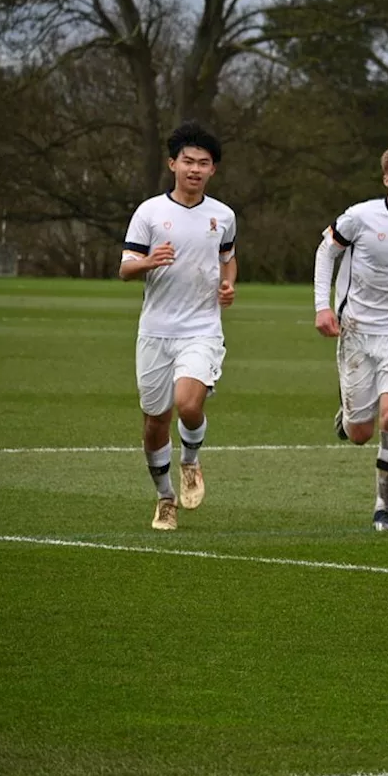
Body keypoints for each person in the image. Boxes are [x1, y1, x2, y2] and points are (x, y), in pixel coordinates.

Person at [120, 122, 236, 531]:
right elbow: (125, 269)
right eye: (188, 161)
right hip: (155, 330)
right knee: (155, 420)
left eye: (203, 163)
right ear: (173, 164)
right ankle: (164, 497)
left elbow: (228, 257)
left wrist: (228, 285)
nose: (195, 169)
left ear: (212, 170)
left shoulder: (222, 215)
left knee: (188, 404)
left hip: (202, 327)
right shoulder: (149, 212)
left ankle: (190, 460)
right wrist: (149, 262)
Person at [313, 142, 388, 530]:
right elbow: (325, 251)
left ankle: (384, 508)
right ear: (387, 178)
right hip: (358, 332)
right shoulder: (360, 217)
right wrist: (322, 305)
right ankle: (348, 417)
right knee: (360, 432)